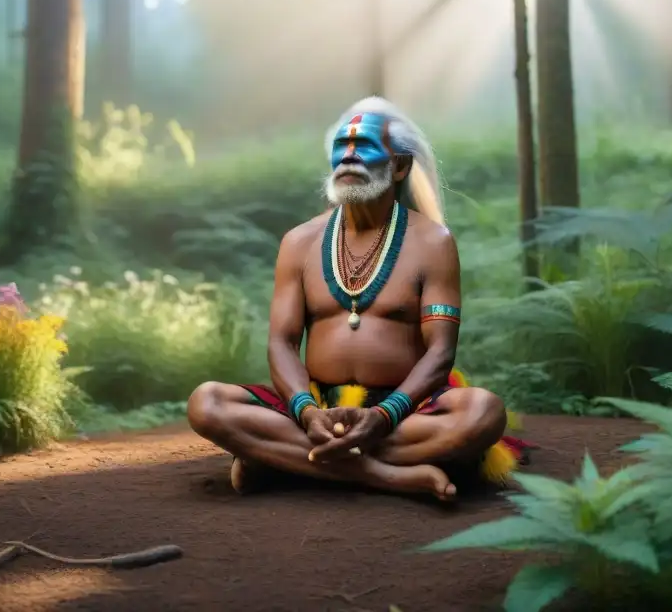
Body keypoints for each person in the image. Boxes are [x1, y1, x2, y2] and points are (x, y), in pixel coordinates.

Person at [187, 96, 531, 501]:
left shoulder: (432, 242)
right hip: (315, 408)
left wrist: (384, 417)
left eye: (364, 146)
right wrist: (307, 412)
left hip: (403, 410)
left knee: (483, 413)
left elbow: (440, 353)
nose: (348, 157)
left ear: (400, 166)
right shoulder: (299, 242)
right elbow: (281, 343)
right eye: (340, 147)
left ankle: (286, 460)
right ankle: (391, 477)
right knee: (206, 403)